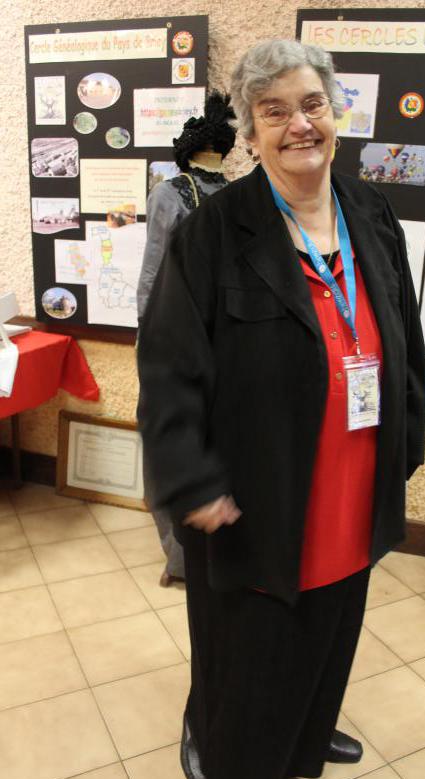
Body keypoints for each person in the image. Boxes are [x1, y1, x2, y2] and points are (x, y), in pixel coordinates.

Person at [137, 39, 425, 779]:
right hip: (255, 491)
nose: (299, 125)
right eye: (274, 112)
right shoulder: (212, 232)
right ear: (251, 131)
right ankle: (228, 751)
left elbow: (404, 331)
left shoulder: (371, 211)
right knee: (246, 649)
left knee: (330, 624)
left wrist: (405, 439)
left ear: (333, 114)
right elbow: (167, 368)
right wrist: (190, 479)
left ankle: (303, 733)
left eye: (311, 105)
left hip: (352, 477)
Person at [137, 90, 236, 586]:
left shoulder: (168, 194)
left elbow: (152, 276)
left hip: (178, 338)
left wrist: (148, 339)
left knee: (172, 446)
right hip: (225, 341)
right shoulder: (238, 194)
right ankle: (203, 559)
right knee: (208, 444)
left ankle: (182, 562)